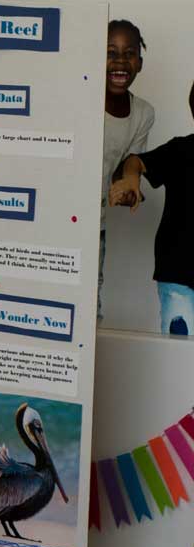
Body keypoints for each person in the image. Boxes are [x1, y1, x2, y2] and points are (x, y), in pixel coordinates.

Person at [111, 81, 194, 335]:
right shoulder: (182, 150)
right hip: (178, 276)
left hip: (175, 273)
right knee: (179, 352)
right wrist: (131, 181)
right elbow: (135, 161)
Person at [99, 19, 154, 321]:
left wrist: (128, 189)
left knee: (88, 299)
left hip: (96, 224)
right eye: (110, 52)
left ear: (140, 63)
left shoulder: (143, 114)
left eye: (129, 53)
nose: (120, 61)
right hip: (54, 216)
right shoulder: (79, 100)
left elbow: (128, 166)